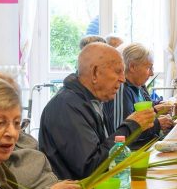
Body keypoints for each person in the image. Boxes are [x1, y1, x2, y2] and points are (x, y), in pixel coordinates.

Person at [39, 43, 155, 181]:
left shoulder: (92, 101)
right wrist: (131, 126)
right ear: (95, 73)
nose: (123, 79)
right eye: (118, 71)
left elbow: (102, 150)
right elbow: (91, 168)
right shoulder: (67, 105)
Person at [102, 42, 172, 146]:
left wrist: (156, 112)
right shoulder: (122, 89)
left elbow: (142, 116)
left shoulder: (139, 86)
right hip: (134, 151)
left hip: (148, 143)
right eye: (149, 68)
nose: (152, 73)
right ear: (132, 66)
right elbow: (120, 135)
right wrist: (157, 124)